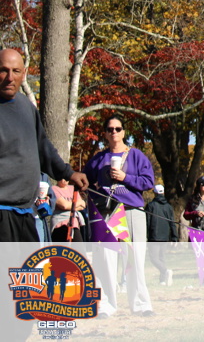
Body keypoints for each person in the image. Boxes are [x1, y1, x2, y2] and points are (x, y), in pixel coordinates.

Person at [0, 48, 88, 241]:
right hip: (2, 213)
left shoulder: (26, 107)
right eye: (3, 70)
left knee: (30, 262)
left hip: (25, 213)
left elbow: (43, 149)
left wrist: (68, 173)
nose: (9, 77)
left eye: (16, 71)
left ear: (24, 73)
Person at [84, 115, 155, 317]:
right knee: (105, 260)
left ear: (124, 132)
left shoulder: (136, 156)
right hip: (107, 213)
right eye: (110, 129)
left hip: (132, 211)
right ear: (105, 134)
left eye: (117, 128)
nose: (114, 132)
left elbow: (148, 182)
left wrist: (126, 177)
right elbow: (85, 181)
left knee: (135, 259)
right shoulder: (98, 159)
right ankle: (107, 305)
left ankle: (141, 304)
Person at [146, 184, 178, 286]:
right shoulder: (168, 207)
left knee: (154, 258)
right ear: (163, 193)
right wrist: (174, 237)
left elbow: (147, 222)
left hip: (154, 236)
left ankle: (165, 271)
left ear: (155, 193)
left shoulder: (150, 206)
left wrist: (146, 235)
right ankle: (163, 280)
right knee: (161, 258)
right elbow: (172, 222)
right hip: (165, 236)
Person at [49, 177, 86, 241]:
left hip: (74, 222)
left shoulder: (72, 188)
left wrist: (71, 205)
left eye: (66, 178)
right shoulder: (53, 189)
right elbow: (64, 205)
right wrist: (78, 203)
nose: (64, 180)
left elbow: (83, 205)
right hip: (60, 222)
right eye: (62, 178)